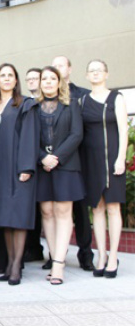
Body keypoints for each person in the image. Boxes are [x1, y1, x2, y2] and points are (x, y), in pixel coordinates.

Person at [0, 63, 38, 285]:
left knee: (18, 218)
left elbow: (30, 137)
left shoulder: (25, 104)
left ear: (16, 81)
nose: (6, 79)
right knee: (4, 218)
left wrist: (26, 167)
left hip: (17, 168)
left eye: (10, 75)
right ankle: (7, 264)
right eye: (2, 75)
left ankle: (16, 265)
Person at [35, 66, 84, 285]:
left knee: (63, 211)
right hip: (41, 166)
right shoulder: (32, 106)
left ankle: (59, 265)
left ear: (58, 82)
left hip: (65, 164)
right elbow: (27, 137)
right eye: (44, 79)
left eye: (52, 78)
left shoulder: (71, 104)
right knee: (46, 211)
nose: (47, 82)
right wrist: (42, 158)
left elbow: (76, 134)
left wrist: (56, 157)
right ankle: (53, 256)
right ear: (40, 83)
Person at [80, 60, 127, 278]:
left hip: (112, 161)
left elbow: (123, 131)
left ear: (106, 74)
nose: (96, 73)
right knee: (96, 208)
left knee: (113, 208)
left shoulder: (116, 98)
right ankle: (101, 255)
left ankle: (114, 255)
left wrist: (120, 159)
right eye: (92, 70)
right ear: (87, 76)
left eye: (99, 70)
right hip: (91, 162)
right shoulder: (82, 101)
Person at [51, 55, 93, 271]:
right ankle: (57, 254)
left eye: (61, 65)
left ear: (69, 69)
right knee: (55, 210)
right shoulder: (47, 98)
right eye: (54, 65)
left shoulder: (83, 96)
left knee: (81, 210)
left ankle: (85, 253)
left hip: (79, 159)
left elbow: (82, 131)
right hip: (53, 164)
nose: (57, 68)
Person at [22, 67, 45, 263]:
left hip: (47, 163)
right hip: (31, 160)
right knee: (31, 207)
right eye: (28, 79)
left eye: (34, 78)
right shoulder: (24, 103)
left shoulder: (46, 104)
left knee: (43, 209)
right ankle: (31, 248)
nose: (31, 82)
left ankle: (38, 248)